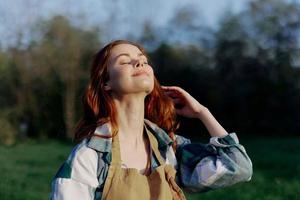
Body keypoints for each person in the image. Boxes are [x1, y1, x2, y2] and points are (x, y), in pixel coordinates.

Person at [50, 40, 253, 200]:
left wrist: (202, 112)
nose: (139, 62)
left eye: (144, 60)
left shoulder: (169, 150)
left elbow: (239, 166)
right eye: (124, 60)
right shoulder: (90, 157)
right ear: (106, 83)